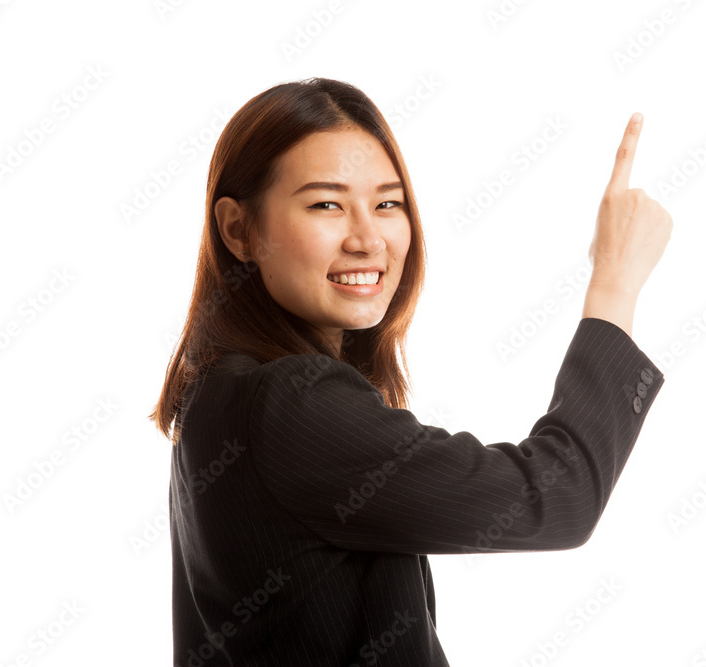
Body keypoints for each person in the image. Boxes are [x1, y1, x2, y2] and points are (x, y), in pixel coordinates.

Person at [149, 77, 672, 666]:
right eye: (326, 204)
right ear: (238, 230)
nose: (368, 238)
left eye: (387, 204)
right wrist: (614, 283)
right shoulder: (290, 400)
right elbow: (557, 497)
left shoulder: (220, 388)